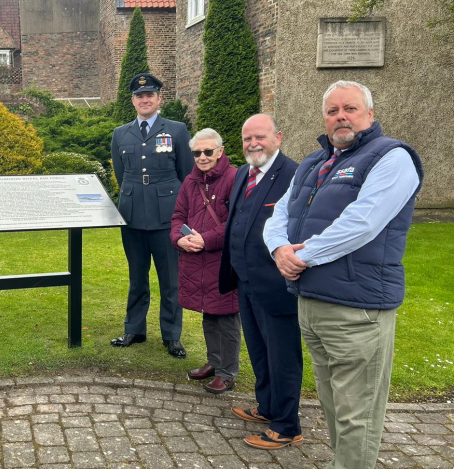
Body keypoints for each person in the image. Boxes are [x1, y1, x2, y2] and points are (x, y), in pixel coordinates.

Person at [264, 80, 423, 469]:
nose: (340, 117)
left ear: (369, 113)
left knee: (357, 417)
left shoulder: (392, 157)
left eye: (350, 108)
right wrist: (278, 249)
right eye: (333, 110)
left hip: (358, 311)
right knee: (334, 408)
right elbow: (279, 214)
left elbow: (363, 222)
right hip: (312, 304)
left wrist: (303, 257)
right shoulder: (313, 163)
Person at [219, 114, 302, 449]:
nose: (253, 144)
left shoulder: (294, 175)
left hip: (277, 284)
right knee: (259, 349)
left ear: (278, 138)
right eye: (247, 138)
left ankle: (287, 426)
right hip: (246, 281)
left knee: (282, 355)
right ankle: (268, 407)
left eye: (260, 137)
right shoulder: (243, 173)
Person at [110, 72, 194, 358]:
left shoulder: (178, 130)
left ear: (159, 98)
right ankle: (135, 328)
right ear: (133, 101)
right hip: (132, 215)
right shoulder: (120, 133)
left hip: (166, 217)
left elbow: (186, 175)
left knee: (170, 279)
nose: (144, 100)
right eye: (139, 96)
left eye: (150, 95)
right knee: (137, 276)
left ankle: (171, 335)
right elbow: (122, 176)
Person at [170, 128, 238, 393]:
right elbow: (178, 216)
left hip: (222, 260)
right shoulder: (190, 182)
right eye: (197, 152)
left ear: (220, 151)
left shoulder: (234, 178)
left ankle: (228, 372)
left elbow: (236, 222)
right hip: (196, 261)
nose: (202, 157)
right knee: (209, 314)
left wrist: (205, 239)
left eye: (208, 151)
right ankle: (214, 362)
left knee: (227, 316)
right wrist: (179, 239)